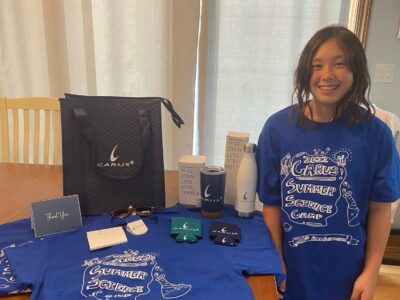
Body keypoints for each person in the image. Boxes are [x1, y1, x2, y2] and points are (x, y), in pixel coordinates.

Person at [256, 25, 400, 300]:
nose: (326, 75)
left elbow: (381, 209)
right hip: (293, 270)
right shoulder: (277, 128)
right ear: (304, 73)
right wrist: (277, 262)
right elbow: (272, 204)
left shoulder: (377, 135)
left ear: (356, 70)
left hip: (348, 273)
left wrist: (371, 272)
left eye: (339, 64)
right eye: (317, 65)